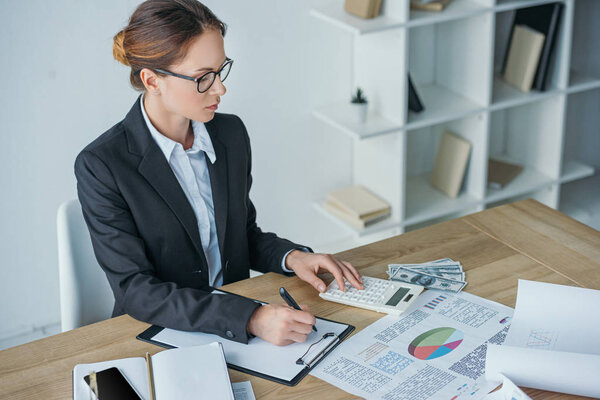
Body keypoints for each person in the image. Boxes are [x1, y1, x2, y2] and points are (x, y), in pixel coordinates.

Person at [74, 0, 363, 347]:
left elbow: (241, 234)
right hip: (159, 332)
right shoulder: (103, 164)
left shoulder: (230, 135)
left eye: (220, 70)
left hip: (240, 326)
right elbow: (137, 290)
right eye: (202, 78)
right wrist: (251, 318)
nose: (220, 89)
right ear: (152, 81)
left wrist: (293, 257)